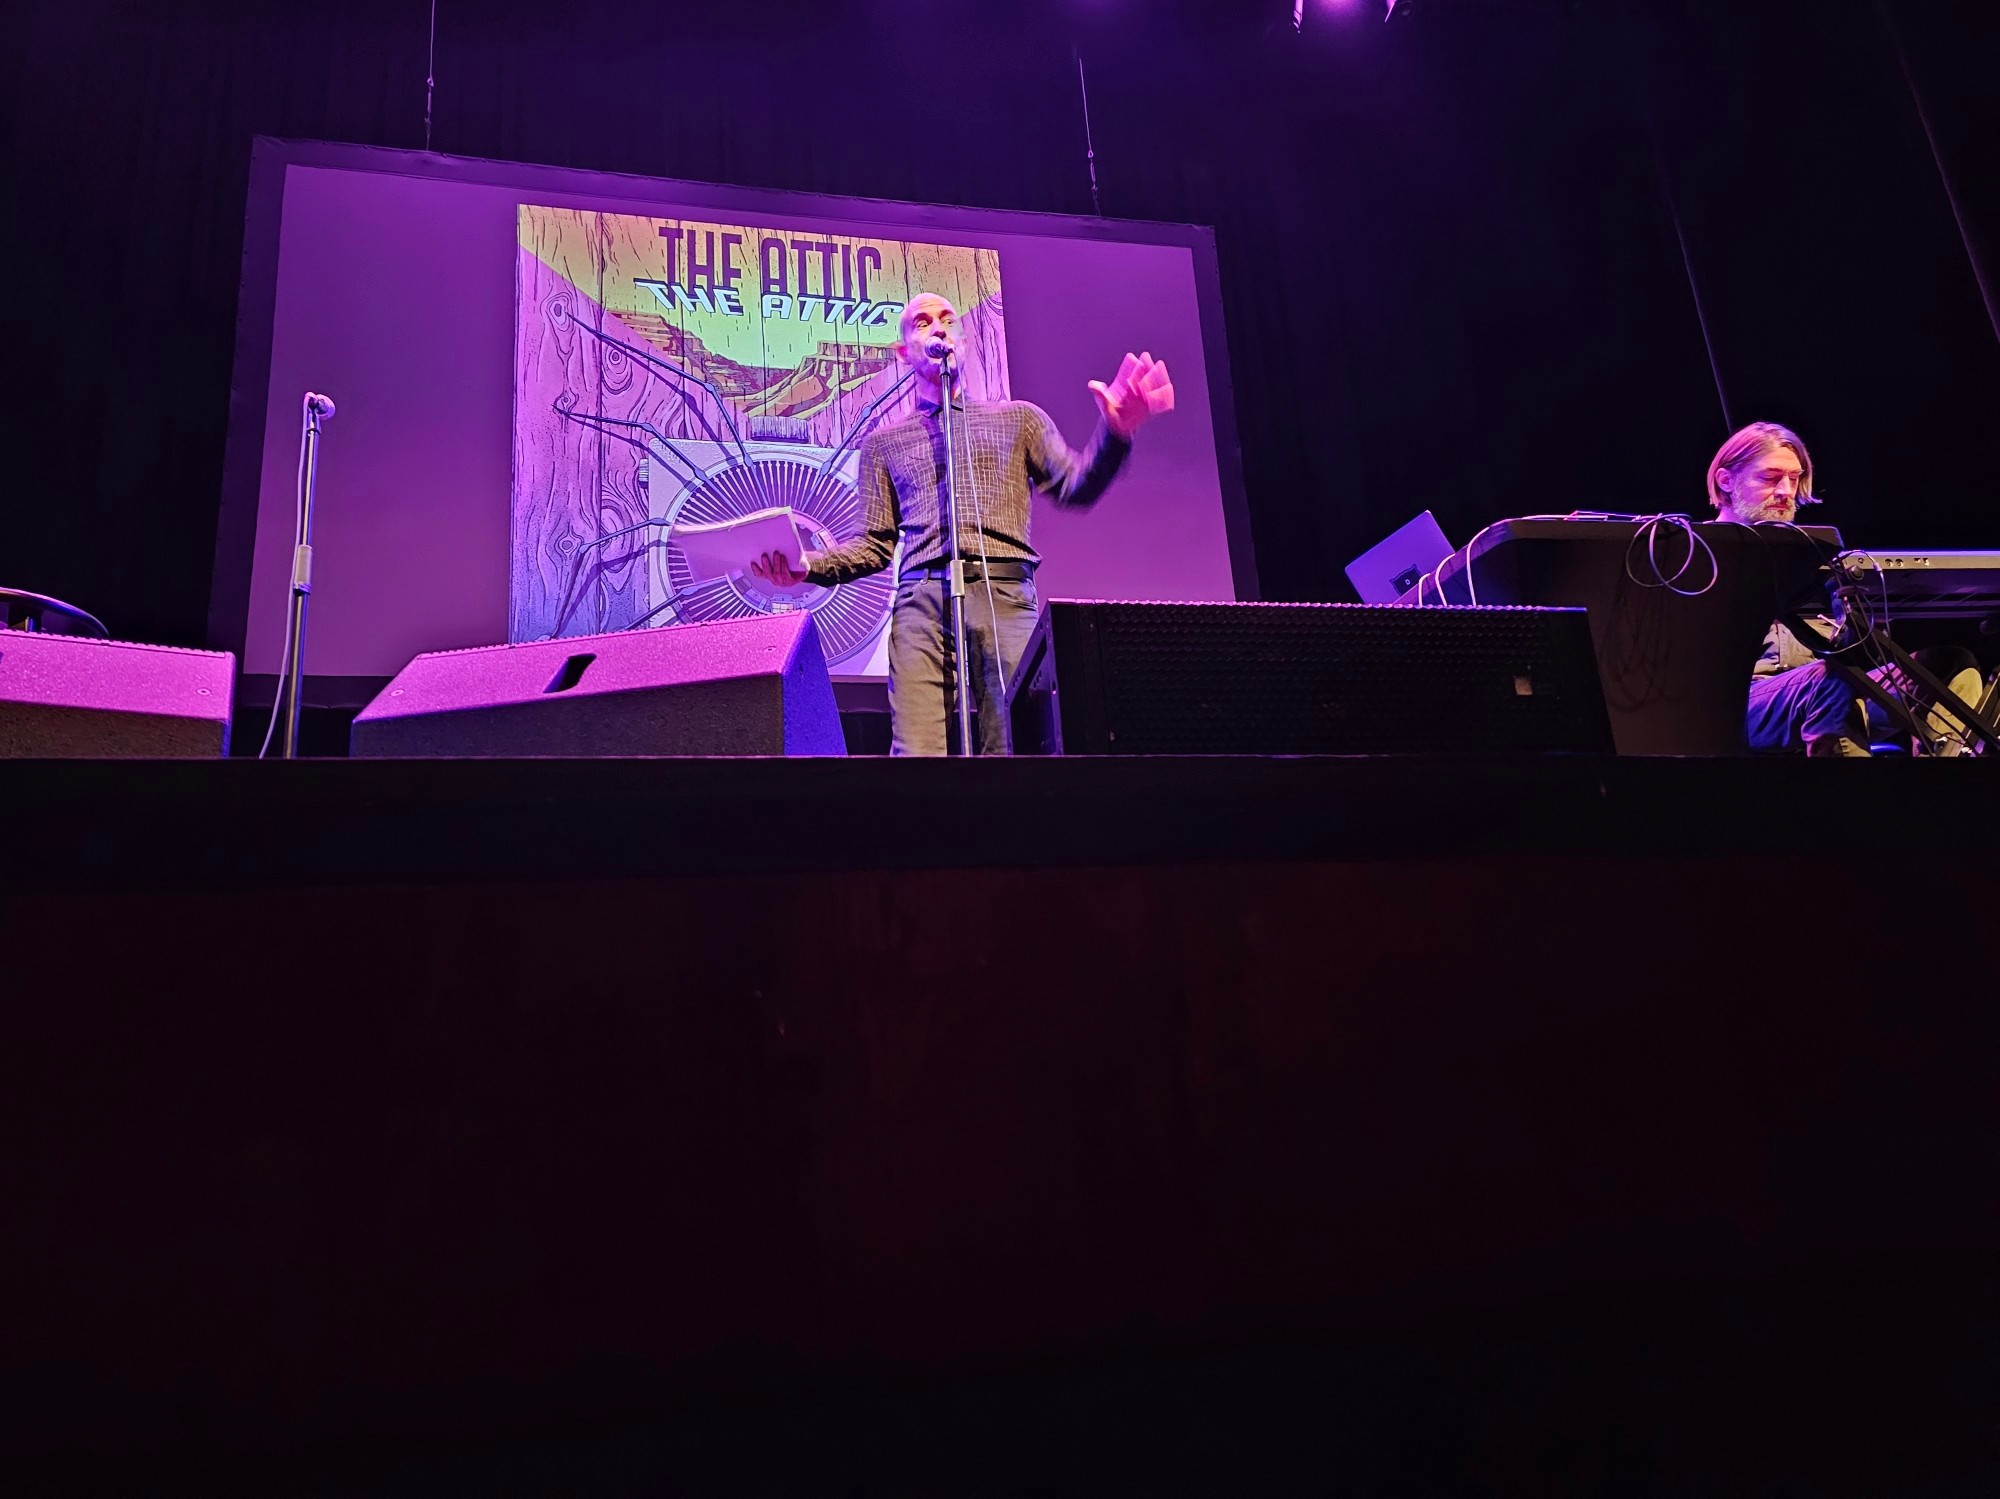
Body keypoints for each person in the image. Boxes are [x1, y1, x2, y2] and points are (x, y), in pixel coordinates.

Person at [751, 293, 1174, 755]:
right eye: (923, 322)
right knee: (916, 751)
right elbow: (874, 545)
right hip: (920, 600)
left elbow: (1076, 487)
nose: (937, 328)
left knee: (1016, 745)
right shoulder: (884, 444)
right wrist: (807, 565)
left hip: (1004, 591)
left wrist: (1116, 433)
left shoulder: (1019, 419)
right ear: (904, 350)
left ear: (965, 341)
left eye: (948, 320)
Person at [1710, 421, 1984, 756]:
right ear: (1726, 480)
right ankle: (1857, 801)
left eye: (1794, 479)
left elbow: (1851, 658)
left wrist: (1858, 621)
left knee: (1950, 663)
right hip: (1739, 706)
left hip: (1826, 693)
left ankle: (1944, 789)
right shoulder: (1695, 558)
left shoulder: (1814, 556)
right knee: (1828, 681)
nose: (1786, 491)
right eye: (1770, 478)